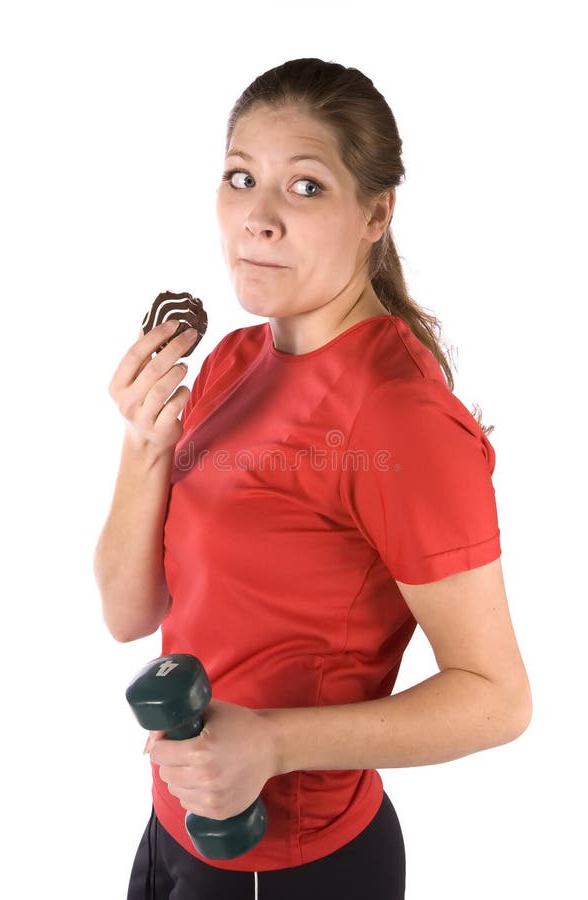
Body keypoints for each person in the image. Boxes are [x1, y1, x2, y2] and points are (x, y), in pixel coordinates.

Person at [93, 57, 532, 900]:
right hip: (174, 826)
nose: (255, 218)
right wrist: (144, 442)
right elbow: (128, 614)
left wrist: (271, 745)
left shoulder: (400, 419)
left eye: (304, 187)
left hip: (290, 863)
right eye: (239, 177)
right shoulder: (232, 360)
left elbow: (498, 698)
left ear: (376, 212)